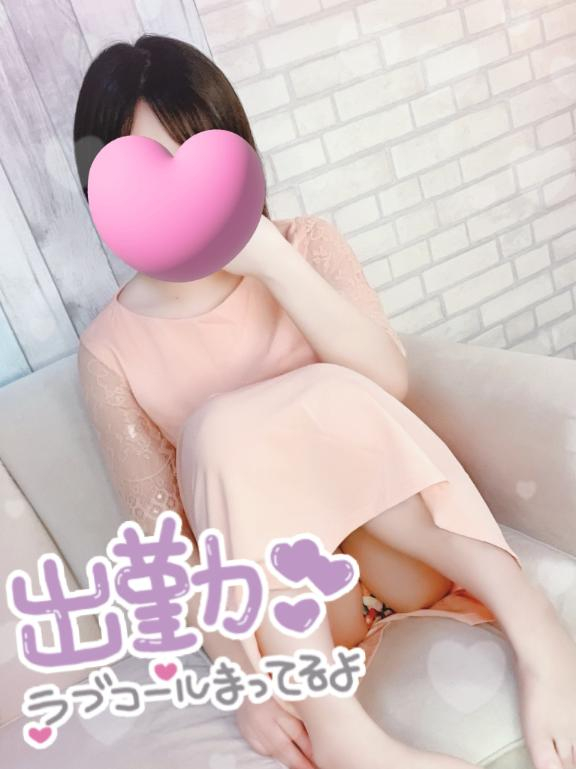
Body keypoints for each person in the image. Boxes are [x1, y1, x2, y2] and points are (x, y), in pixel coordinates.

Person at [74, 34, 576, 769]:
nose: (181, 195)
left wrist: (274, 262)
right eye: (147, 172)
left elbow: (387, 382)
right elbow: (169, 550)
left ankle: (526, 612)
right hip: (305, 620)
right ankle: (342, 732)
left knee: (331, 390)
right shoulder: (109, 350)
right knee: (222, 432)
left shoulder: (304, 244)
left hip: (407, 554)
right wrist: (246, 686)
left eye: (196, 159)